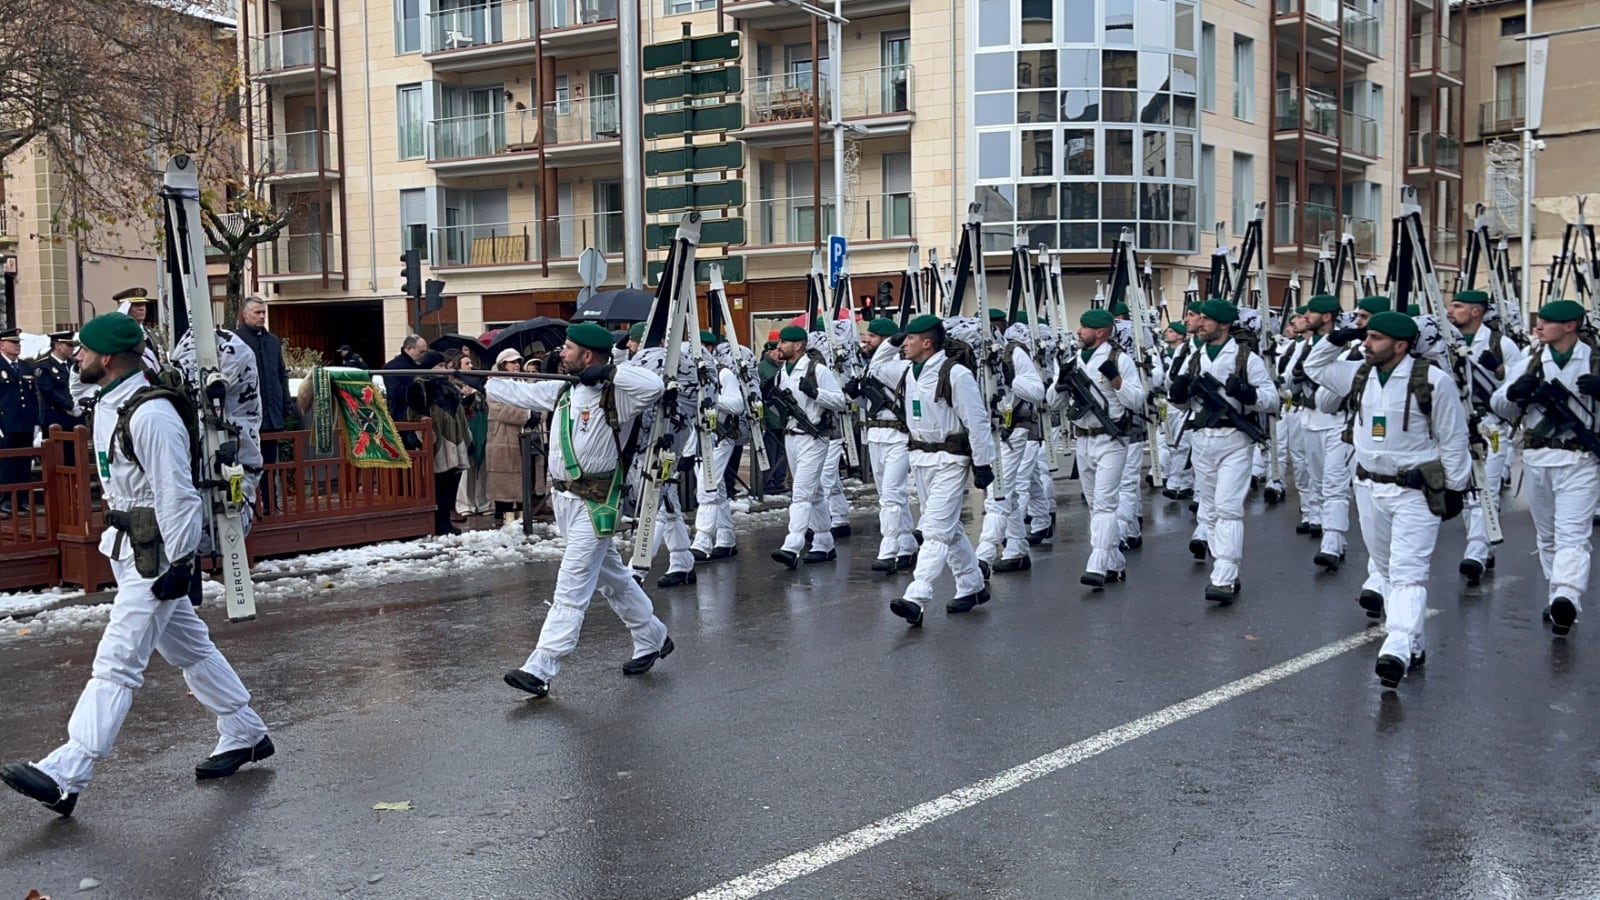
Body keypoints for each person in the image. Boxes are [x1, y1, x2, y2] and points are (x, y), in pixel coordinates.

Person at [0, 313, 272, 818]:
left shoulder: (151, 415)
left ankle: (68, 771)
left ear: (107, 358)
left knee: (117, 661)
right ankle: (245, 730)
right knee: (190, 649)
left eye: (82, 350)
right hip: (132, 545)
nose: (74, 356)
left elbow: (177, 495)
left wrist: (182, 561)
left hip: (156, 553)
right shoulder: (112, 401)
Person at [484, 322, 672, 698]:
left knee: (571, 586)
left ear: (588, 356)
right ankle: (652, 636)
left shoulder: (618, 394)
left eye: (568, 349)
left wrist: (609, 371)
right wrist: (478, 381)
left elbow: (654, 387)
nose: (560, 355)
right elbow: (515, 392)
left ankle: (541, 666)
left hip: (598, 503)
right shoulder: (563, 390)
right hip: (566, 501)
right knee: (612, 579)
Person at [1306, 311, 1470, 688]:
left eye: (1376, 338)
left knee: (1408, 570)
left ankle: (1395, 647)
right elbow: (1315, 367)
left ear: (1400, 345)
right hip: (1368, 486)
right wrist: (1340, 337)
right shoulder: (1358, 373)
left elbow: (1453, 438)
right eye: (1367, 336)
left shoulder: (1433, 380)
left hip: (1415, 491)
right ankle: (1414, 642)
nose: (1367, 343)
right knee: (1386, 566)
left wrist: (1456, 489)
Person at [1491, 299, 1597, 638]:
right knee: (1548, 535)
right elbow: (1499, 404)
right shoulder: (1532, 359)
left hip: (1580, 459)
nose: (1539, 326)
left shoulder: (1595, 360)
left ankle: (1567, 593)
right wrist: (1514, 392)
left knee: (1572, 534)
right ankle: (1558, 597)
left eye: (1548, 322)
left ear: (1570, 326)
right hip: (1537, 459)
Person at [882, 314, 997, 627]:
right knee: (949, 527)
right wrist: (891, 343)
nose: (904, 344)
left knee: (933, 529)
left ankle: (916, 598)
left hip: (950, 459)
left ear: (927, 343)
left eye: (909, 339)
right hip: (921, 459)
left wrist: (983, 462)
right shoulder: (909, 371)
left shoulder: (955, 374)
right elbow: (877, 367)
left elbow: (976, 420)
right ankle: (972, 585)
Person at [1166, 299, 1280, 604]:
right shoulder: (1193, 357)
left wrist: (1247, 393)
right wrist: (1178, 395)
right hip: (1202, 439)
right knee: (1212, 508)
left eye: (1206, 319)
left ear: (1224, 325)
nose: (1200, 324)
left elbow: (1272, 400)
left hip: (1233, 439)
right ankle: (1223, 564)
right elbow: (1183, 404)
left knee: (1228, 508)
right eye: (1199, 318)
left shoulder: (1246, 359)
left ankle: (1225, 577)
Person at [1048, 308, 1143, 589]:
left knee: (1104, 504)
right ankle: (1115, 562)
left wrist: (1117, 382)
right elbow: (1052, 403)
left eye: (1084, 328)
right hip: (1084, 439)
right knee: (1094, 504)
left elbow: (1136, 400)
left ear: (1100, 332)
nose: (1079, 332)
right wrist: (1061, 383)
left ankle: (1098, 563)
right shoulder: (1073, 360)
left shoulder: (1120, 360)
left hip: (1111, 440)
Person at [1447, 289, 1524, 583]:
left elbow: (1515, 387)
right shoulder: (1445, 342)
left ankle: (1475, 553)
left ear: (1476, 311)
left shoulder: (1502, 344)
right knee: (1465, 491)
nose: (1451, 310)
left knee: (1486, 489)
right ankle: (1483, 545)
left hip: (1489, 425)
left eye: (1458, 306)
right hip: (1456, 426)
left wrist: (1500, 370)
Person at [768, 324, 848, 568]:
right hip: (792, 436)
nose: (778, 347)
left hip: (816, 436)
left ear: (798, 345)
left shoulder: (817, 369)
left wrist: (815, 393)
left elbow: (840, 401)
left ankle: (792, 545)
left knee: (801, 492)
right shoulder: (784, 371)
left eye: (783, 342)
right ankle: (824, 542)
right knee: (814, 493)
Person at [976, 316, 1046, 573]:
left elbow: (1038, 392)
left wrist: (1011, 380)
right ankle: (1016, 549)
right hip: (984, 432)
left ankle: (983, 555)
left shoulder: (1012, 354)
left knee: (998, 494)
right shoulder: (960, 358)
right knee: (1010, 493)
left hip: (1012, 430)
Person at [855, 317, 917, 573]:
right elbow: (870, 406)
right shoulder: (871, 366)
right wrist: (857, 394)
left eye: (871, 336)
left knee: (891, 495)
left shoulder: (900, 366)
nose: (865, 340)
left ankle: (888, 549)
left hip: (898, 437)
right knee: (890, 496)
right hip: (877, 435)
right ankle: (906, 543)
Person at [691, 330, 747, 561]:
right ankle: (725, 538)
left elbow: (736, 405)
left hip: (720, 436)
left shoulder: (723, 374)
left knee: (707, 489)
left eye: (703, 347)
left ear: (711, 349)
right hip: (698, 438)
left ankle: (702, 541)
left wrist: (712, 400)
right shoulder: (691, 374)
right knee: (717, 489)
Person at [408, 350, 476, 536]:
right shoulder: (419, 387)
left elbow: (460, 414)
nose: (444, 369)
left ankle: (446, 519)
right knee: (439, 484)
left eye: (445, 366)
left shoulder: (451, 387)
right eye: (439, 366)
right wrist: (425, 437)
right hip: (438, 442)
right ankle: (440, 522)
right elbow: (414, 415)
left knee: (452, 482)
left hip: (456, 440)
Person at [235, 298, 292, 473]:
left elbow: (281, 374)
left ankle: (271, 501)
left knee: (270, 466)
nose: (261, 317)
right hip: (247, 415)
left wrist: (286, 403)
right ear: (245, 315)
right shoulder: (236, 340)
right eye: (257, 313)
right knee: (249, 466)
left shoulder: (272, 340)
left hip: (272, 414)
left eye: (263, 313)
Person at [486, 348, 532, 522]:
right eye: (512, 362)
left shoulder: (524, 381)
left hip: (525, 436)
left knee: (524, 477)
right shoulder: (494, 383)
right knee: (503, 479)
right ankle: (503, 516)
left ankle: (523, 514)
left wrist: (534, 413)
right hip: (501, 436)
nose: (517, 365)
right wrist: (526, 415)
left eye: (518, 361)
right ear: (503, 364)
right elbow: (499, 410)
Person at [0, 327, 40, 516]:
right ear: (2, 344)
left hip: (24, 423)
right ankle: (6, 500)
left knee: (24, 462)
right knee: (7, 463)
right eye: (13, 343)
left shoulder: (25, 366)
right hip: (5, 423)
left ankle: (22, 499)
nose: (17, 346)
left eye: (18, 343)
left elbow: (31, 396)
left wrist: (35, 421)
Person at [454, 351, 493, 519]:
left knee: (481, 467)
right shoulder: (455, 385)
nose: (470, 366)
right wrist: (465, 397)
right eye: (466, 364)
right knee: (466, 468)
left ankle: (482, 502)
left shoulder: (478, 384)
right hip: (465, 429)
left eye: (471, 363)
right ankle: (464, 504)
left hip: (481, 427)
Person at [382, 334, 430, 429]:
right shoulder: (393, 368)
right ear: (408, 349)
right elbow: (395, 393)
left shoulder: (421, 365)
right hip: (403, 416)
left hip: (419, 416)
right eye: (421, 352)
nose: (424, 355)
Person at [113, 287, 164, 370]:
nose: (142, 308)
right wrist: (120, 320)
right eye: (136, 305)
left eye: (143, 304)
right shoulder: (119, 336)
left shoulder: (153, 334)